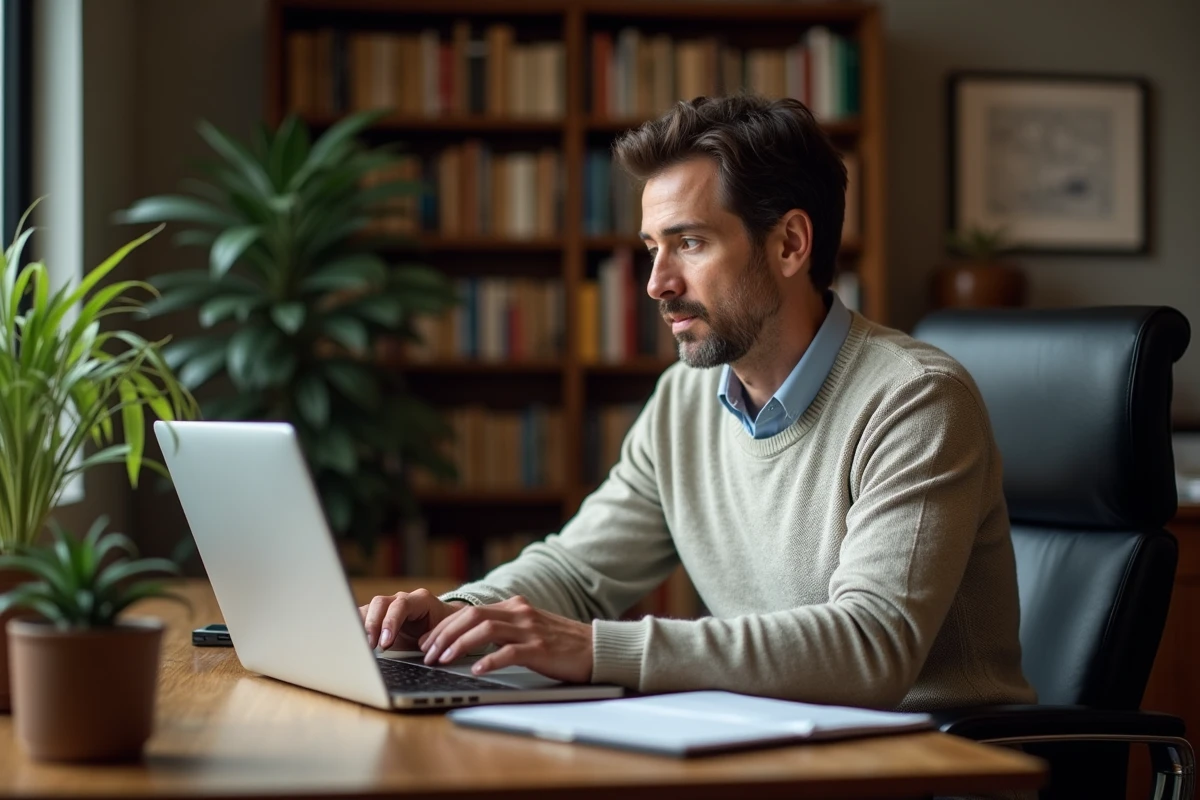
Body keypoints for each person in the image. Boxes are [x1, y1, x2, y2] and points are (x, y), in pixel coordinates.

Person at [359, 95, 1035, 711]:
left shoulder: (914, 400)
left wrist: (596, 650)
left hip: (930, 767)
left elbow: (873, 645)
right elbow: (578, 571)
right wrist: (457, 613)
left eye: (689, 243)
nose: (656, 283)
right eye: (653, 248)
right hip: (769, 746)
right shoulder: (686, 397)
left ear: (790, 244)